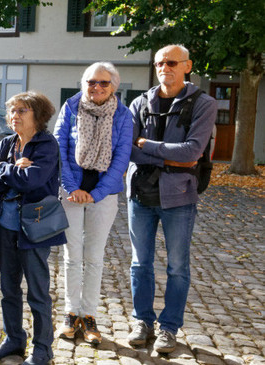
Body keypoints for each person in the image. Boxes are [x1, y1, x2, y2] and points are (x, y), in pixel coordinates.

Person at [126, 44, 216, 353]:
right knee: (140, 264)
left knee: (177, 267)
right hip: (139, 194)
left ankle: (168, 328)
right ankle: (142, 321)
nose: (165, 67)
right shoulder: (139, 102)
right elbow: (128, 149)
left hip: (179, 197)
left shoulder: (203, 104)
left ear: (187, 66)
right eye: (160, 63)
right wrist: (169, 156)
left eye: (172, 62)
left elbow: (193, 152)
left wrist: (147, 144)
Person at [0, 91, 65, 365]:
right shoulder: (5, 145)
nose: (14, 116)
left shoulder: (47, 145)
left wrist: (4, 172)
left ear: (38, 116)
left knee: (38, 293)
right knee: (9, 289)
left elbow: (32, 180)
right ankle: (14, 340)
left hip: (36, 228)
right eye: (12, 111)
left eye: (21, 111)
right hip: (4, 226)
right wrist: (11, 168)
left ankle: (42, 350)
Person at [53, 62, 132, 344]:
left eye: (103, 83)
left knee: (94, 258)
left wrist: (96, 193)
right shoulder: (71, 107)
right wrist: (72, 188)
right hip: (71, 194)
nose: (96, 87)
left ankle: (89, 317)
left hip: (104, 195)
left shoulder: (123, 115)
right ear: (83, 83)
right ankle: (70, 314)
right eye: (91, 82)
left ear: (114, 87)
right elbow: (59, 147)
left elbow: (122, 157)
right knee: (72, 256)